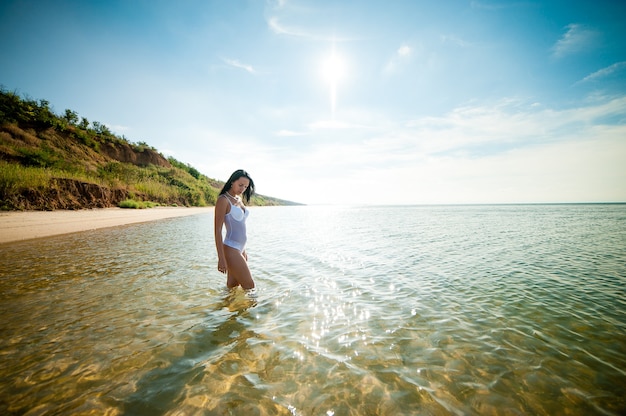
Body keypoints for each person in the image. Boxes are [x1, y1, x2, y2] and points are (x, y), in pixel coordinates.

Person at [214, 169, 255, 289]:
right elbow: (217, 230)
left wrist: (243, 251)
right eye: (240, 185)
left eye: (246, 187)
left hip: (240, 249)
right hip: (231, 249)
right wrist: (221, 258)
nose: (242, 189)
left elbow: (241, 228)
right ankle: (256, 308)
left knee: (232, 288)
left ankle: (220, 307)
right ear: (232, 182)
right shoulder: (223, 200)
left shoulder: (239, 199)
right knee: (250, 286)